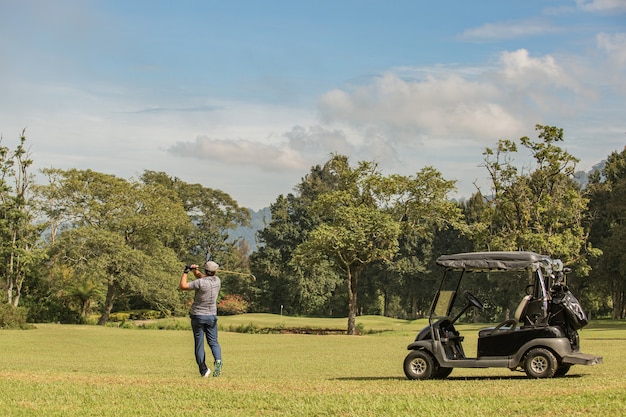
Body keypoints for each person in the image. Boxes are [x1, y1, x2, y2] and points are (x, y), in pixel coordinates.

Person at [179, 261, 223, 377]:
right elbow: (203, 278)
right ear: (215, 271)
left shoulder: (200, 282)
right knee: (213, 342)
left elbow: (182, 286)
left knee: (199, 344)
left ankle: (204, 370)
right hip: (211, 317)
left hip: (198, 316)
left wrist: (186, 271)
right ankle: (218, 360)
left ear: (205, 270)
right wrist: (195, 271)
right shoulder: (217, 281)